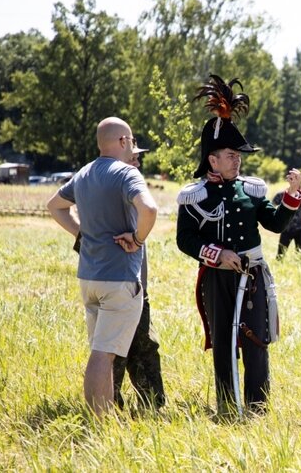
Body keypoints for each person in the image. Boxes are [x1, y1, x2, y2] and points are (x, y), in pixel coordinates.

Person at [176, 74, 301, 416]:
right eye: (231, 155)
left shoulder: (251, 190)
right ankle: (228, 408)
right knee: (224, 344)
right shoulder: (194, 195)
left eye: (238, 155)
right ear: (212, 159)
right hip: (219, 277)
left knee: (257, 340)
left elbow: (276, 223)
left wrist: (291, 197)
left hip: (254, 275)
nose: (238, 160)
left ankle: (258, 408)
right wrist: (218, 255)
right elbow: (184, 240)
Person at [47, 117, 158, 417]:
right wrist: (137, 238)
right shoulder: (125, 174)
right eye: (132, 141)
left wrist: (82, 233)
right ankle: (97, 422)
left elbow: (54, 206)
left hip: (89, 278)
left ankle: (105, 420)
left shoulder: (83, 174)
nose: (133, 147)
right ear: (123, 141)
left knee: (102, 354)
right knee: (102, 355)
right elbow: (149, 209)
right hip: (119, 279)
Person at [111, 143, 166, 409]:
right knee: (117, 350)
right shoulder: (112, 188)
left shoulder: (133, 189)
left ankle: (152, 404)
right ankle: (108, 405)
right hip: (121, 283)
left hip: (137, 285)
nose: (138, 163)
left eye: (138, 159)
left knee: (144, 345)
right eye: (133, 158)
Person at [272, 181, 301, 258]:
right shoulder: (281, 195)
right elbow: (271, 208)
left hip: (300, 229)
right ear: (291, 185)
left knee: (299, 255)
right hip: (286, 228)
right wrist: (277, 220)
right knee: (280, 255)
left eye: (299, 186)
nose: (298, 188)